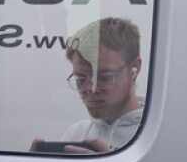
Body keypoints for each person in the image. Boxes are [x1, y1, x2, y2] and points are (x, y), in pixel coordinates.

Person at [33, 17, 144, 154]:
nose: (91, 89)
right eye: (80, 79)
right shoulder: (76, 133)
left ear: (135, 68)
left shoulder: (155, 135)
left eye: (104, 78)